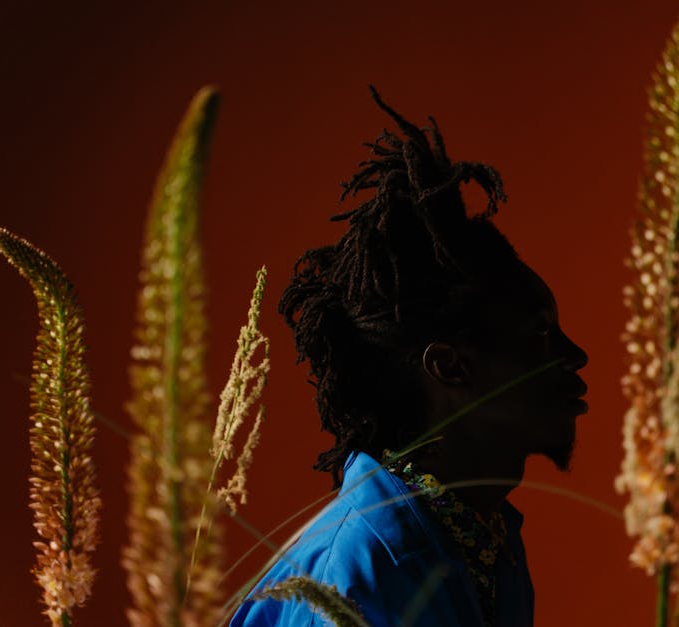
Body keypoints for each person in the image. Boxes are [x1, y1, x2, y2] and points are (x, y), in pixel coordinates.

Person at [229, 87, 588, 627]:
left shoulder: (489, 546)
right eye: (539, 335)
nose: (577, 355)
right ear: (449, 365)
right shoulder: (351, 574)